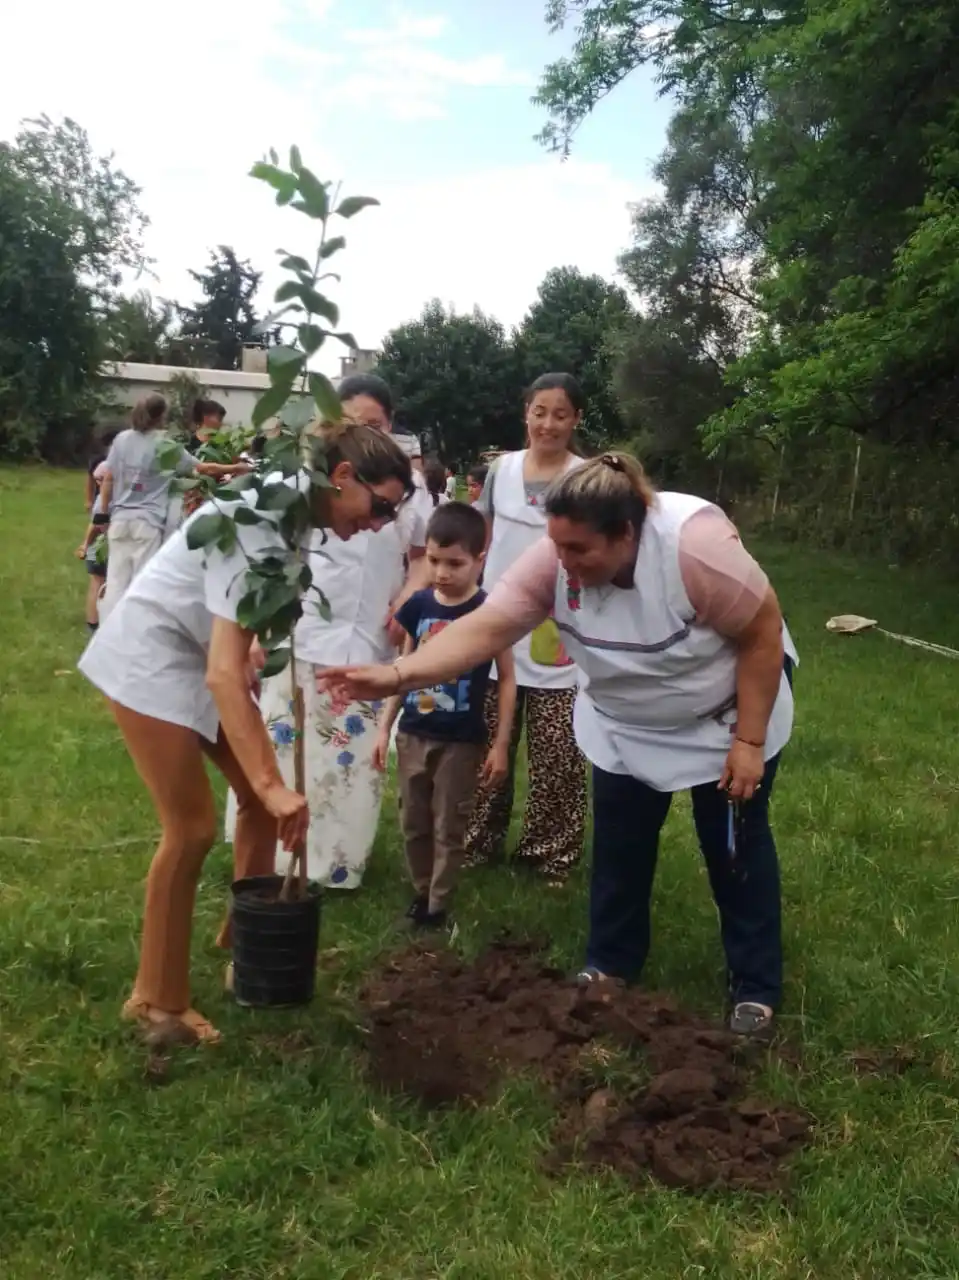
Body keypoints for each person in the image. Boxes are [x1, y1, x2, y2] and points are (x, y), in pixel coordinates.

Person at [319, 451, 798, 1037]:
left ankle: (755, 986)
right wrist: (397, 676)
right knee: (621, 846)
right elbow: (485, 628)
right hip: (627, 720)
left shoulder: (695, 551)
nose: (564, 564)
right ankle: (610, 966)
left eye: (579, 551)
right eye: (557, 547)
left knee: (732, 848)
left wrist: (749, 741)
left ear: (626, 534)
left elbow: (762, 633)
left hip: (724, 712)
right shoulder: (553, 560)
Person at [78, 422, 413, 1044]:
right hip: (150, 657)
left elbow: (238, 629)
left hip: (195, 653)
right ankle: (157, 1002)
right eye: (381, 505)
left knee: (262, 809)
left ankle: (249, 950)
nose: (382, 523)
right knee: (193, 828)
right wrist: (267, 775)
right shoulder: (264, 515)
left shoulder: (293, 513)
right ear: (343, 477)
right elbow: (223, 674)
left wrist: (256, 642)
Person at [225, 375, 431, 889]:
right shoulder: (302, 484)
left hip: (366, 635)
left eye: (375, 424)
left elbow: (423, 556)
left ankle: (334, 863)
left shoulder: (407, 487)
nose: (365, 433)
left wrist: (406, 599)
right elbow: (262, 571)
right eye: (354, 422)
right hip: (298, 629)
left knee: (348, 754)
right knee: (283, 740)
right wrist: (255, 635)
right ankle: (269, 859)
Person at [371, 503, 516, 931]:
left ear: (480, 560)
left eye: (456, 563)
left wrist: (502, 743)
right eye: (434, 560)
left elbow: (507, 678)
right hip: (413, 733)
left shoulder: (490, 614)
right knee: (413, 820)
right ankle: (420, 893)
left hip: (461, 741)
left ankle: (438, 907)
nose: (442, 572)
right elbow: (404, 667)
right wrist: (384, 727)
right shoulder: (417, 607)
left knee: (448, 824)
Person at [467, 373, 588, 883]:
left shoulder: (587, 476)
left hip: (562, 629)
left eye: (560, 414)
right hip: (499, 624)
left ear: (575, 420)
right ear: (526, 415)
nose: (549, 424)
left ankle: (550, 853)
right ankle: (475, 843)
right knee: (485, 742)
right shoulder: (502, 470)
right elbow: (482, 539)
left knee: (558, 751)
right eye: (540, 412)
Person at [97, 395, 247, 619]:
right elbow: (202, 468)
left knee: (116, 582)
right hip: (147, 523)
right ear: (161, 416)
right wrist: (237, 467)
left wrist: (102, 513)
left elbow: (108, 476)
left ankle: (106, 631)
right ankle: (135, 631)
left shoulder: (122, 439)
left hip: (119, 520)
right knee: (142, 583)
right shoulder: (165, 445)